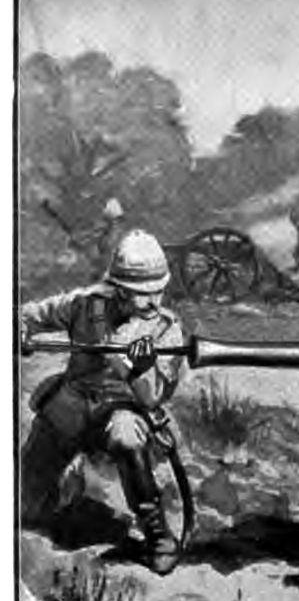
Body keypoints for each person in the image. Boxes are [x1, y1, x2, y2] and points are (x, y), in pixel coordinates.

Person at [20, 230, 186, 575]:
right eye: (143, 294)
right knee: (27, 508)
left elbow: (152, 397)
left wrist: (138, 367)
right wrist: (18, 328)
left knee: (127, 436)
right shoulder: (85, 304)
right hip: (75, 403)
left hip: (123, 408)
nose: (154, 302)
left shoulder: (166, 330)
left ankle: (157, 536)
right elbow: (31, 314)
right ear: (120, 288)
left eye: (158, 291)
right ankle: (48, 503)